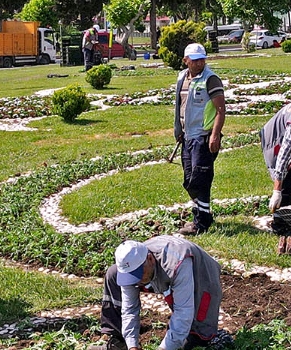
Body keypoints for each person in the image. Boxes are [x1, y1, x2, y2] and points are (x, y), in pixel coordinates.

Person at [90, 235, 222, 350]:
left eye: (138, 274)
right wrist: (132, 345)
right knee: (113, 275)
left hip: (202, 274)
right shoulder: (132, 268)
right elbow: (129, 309)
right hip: (160, 271)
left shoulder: (178, 264)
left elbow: (183, 311)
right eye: (131, 276)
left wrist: (164, 348)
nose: (136, 281)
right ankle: (118, 342)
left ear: (150, 259)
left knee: (198, 339)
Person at [173, 43, 226, 235]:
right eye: (195, 60)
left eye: (202, 59)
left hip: (203, 138)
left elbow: (220, 110)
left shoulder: (211, 79)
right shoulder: (182, 79)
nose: (199, 63)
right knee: (189, 179)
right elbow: (180, 106)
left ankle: (201, 222)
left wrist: (214, 135)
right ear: (185, 60)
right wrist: (179, 129)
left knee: (200, 179)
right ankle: (202, 213)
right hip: (187, 137)